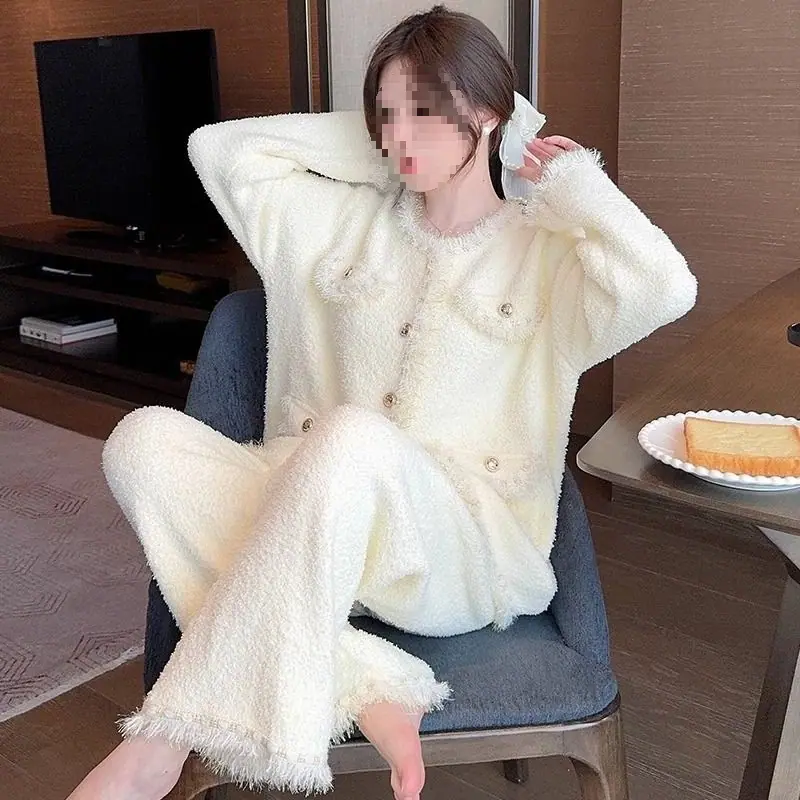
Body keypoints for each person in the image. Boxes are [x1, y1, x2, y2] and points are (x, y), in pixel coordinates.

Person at [67, 5, 697, 800]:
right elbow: (219, 150)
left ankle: (166, 737)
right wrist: (391, 145)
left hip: (460, 557)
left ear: (487, 113)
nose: (400, 137)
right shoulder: (334, 225)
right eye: (386, 116)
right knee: (141, 441)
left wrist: (568, 180)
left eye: (425, 112)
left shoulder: (548, 256)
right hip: (313, 520)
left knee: (353, 436)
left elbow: (665, 287)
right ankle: (367, 677)